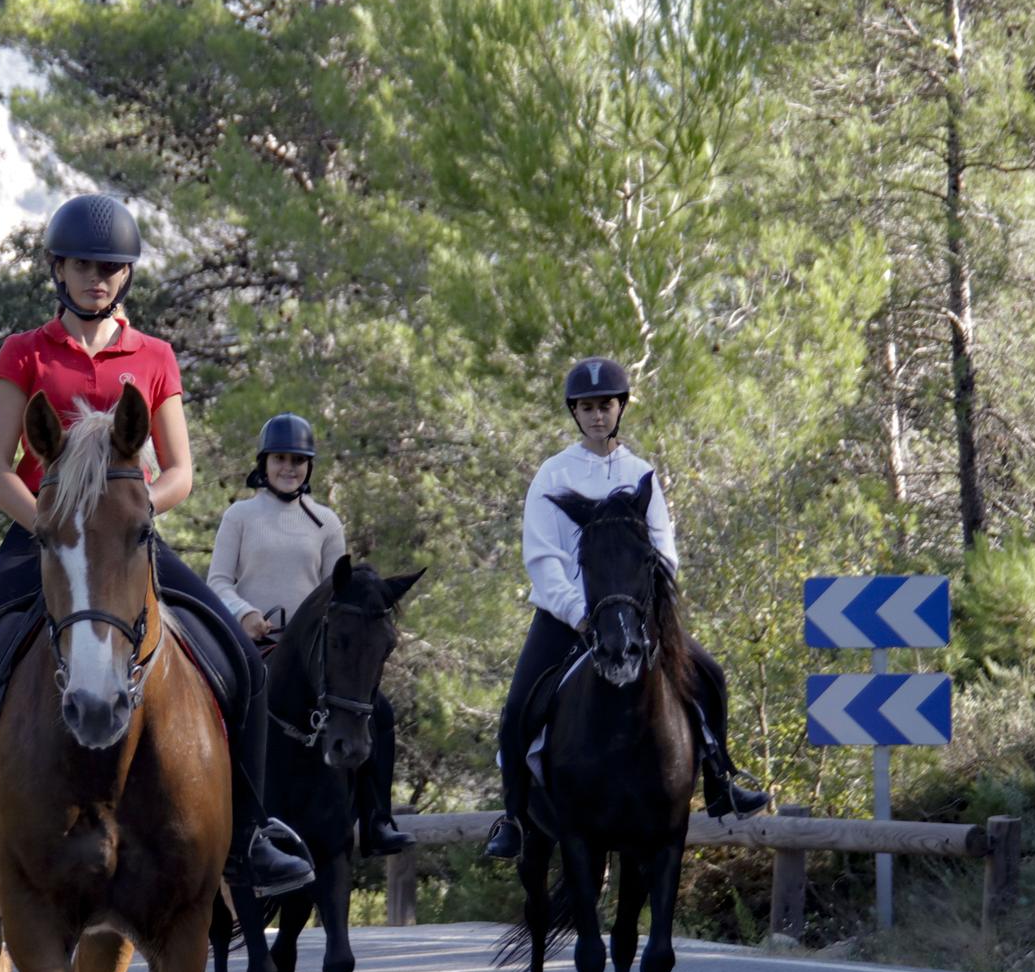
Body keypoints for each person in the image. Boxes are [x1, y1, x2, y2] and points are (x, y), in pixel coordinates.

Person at [0, 193, 316, 909]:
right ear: (58, 268)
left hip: (126, 540)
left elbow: (179, 467)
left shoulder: (152, 356)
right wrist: (51, 527)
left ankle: (249, 836)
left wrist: (137, 512)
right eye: (85, 265)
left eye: (112, 268)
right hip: (41, 535)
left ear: (125, 276)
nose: (98, 278)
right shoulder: (24, 352)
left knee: (243, 660)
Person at [483, 357, 771, 861]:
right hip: (567, 619)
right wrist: (580, 612)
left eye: (606, 406)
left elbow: (664, 549)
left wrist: (647, 608)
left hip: (637, 617)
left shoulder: (642, 475)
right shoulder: (552, 474)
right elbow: (542, 558)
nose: (597, 416)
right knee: (515, 709)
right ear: (576, 412)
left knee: (710, 675)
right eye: (588, 407)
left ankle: (721, 778)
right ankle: (513, 819)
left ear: (621, 409)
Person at [207, 412, 414, 856]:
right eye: (281, 459)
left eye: (299, 461)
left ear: (309, 467)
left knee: (378, 710)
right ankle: (216, 815)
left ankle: (376, 818)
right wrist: (245, 613)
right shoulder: (239, 516)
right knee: (216, 706)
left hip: (312, 654)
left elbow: (335, 594)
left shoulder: (326, 522)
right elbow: (218, 582)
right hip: (253, 644)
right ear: (264, 463)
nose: (290, 468)